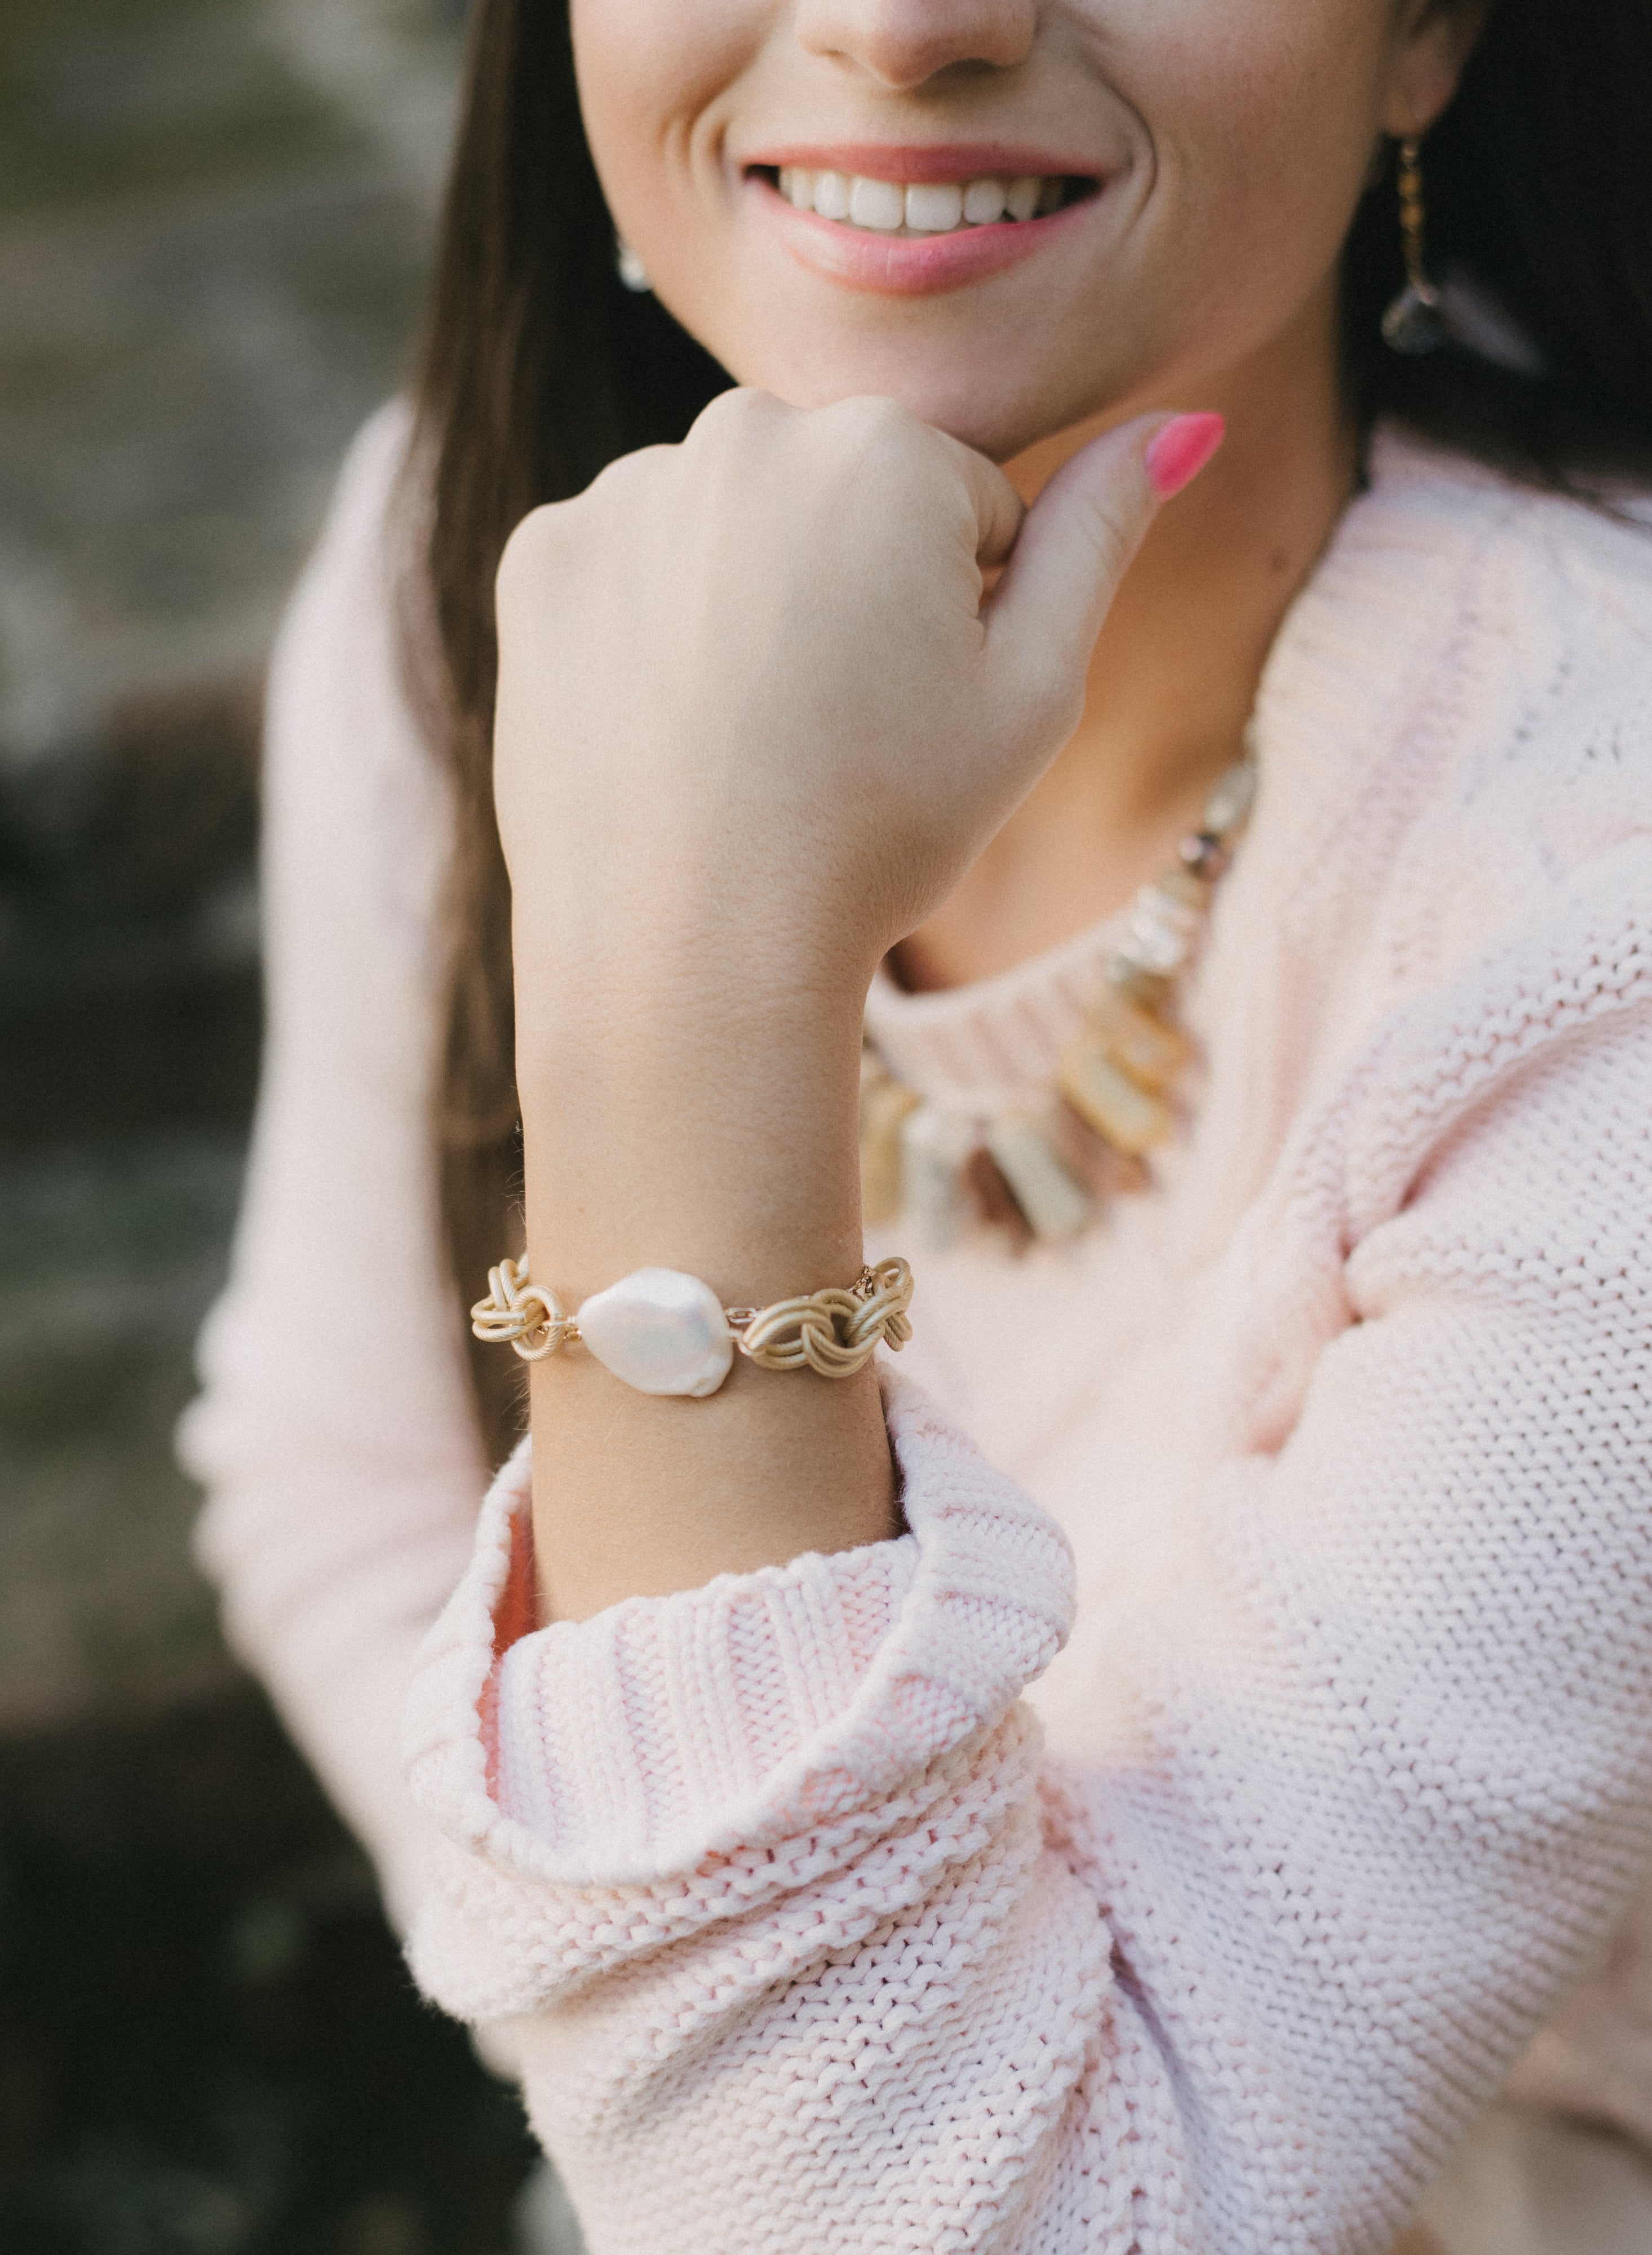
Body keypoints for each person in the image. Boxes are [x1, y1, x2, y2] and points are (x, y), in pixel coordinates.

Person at [180, 0, 1652, 2247]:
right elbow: (333, 1476)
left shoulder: (1586, 888)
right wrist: (670, 2049)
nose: (903, 19)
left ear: (1429, 27)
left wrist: (693, 988)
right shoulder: (499, 554)